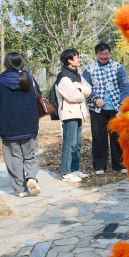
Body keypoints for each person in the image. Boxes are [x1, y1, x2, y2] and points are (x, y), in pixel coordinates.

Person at [0, 52, 42, 198]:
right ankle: (31, 177)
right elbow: (39, 97)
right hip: (29, 124)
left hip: (9, 126)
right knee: (30, 154)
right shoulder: (29, 78)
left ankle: (20, 189)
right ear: (21, 63)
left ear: (6, 64)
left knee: (14, 157)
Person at [82, 43, 129, 175]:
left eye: (106, 53)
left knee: (117, 136)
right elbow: (85, 87)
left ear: (110, 53)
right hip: (96, 109)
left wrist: (123, 104)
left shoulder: (118, 67)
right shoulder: (89, 69)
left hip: (115, 108)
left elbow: (124, 87)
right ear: (96, 54)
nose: (104, 56)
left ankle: (120, 164)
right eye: (101, 54)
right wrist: (95, 99)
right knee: (99, 137)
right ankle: (99, 166)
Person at [56, 49, 92, 183]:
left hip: (78, 113)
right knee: (69, 143)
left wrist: (79, 89)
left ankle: (74, 170)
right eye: (76, 57)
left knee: (77, 144)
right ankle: (66, 172)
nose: (79, 59)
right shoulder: (63, 76)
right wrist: (81, 92)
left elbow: (88, 89)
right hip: (69, 114)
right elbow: (73, 96)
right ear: (69, 60)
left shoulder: (77, 75)